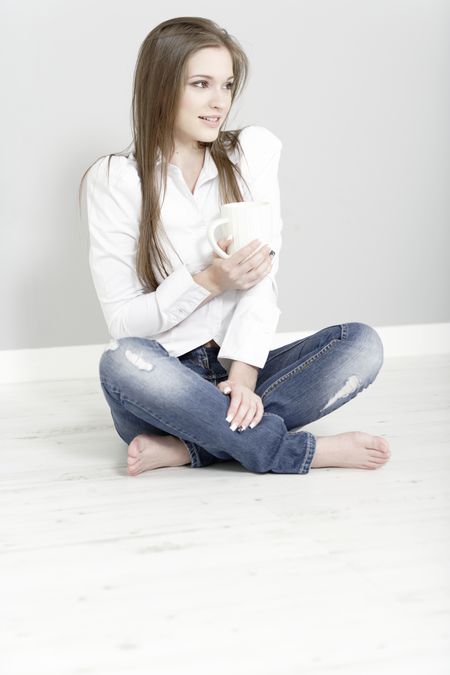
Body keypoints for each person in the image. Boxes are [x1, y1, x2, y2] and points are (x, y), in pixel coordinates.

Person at [80, 16, 391, 476]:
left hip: (239, 367)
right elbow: (125, 322)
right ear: (160, 87)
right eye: (201, 84)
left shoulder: (251, 154)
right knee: (121, 363)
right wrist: (207, 281)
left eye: (226, 85)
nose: (218, 102)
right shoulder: (114, 180)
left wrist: (243, 375)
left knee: (361, 345)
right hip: (163, 378)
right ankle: (295, 452)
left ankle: (191, 447)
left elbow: (262, 278)